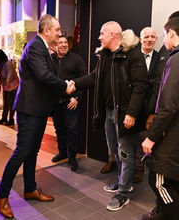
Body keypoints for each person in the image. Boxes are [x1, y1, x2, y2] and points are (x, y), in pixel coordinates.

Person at [0, 14, 73, 219]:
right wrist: (64, 85)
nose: (59, 33)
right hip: (29, 110)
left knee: (32, 152)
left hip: (37, 109)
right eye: (57, 30)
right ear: (46, 30)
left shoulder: (41, 47)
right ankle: (2, 197)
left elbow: (44, 79)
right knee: (22, 152)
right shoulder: (36, 46)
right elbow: (44, 76)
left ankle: (30, 189)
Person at [73, 22, 148, 211]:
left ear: (114, 34)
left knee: (125, 151)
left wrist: (131, 113)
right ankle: (125, 181)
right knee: (115, 149)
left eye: (102, 33)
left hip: (125, 113)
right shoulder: (105, 56)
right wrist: (74, 83)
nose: (99, 37)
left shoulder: (133, 54)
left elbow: (141, 86)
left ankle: (123, 193)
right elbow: (93, 78)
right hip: (108, 111)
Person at [141, 17, 179, 220]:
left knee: (159, 181)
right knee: (170, 180)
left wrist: (152, 136)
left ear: (172, 34)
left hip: (173, 134)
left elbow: (168, 104)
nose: (163, 40)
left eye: (164, 34)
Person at [51, 36, 86, 171]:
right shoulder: (51, 59)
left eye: (66, 42)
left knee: (71, 131)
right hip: (55, 102)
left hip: (70, 102)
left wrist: (76, 97)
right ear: (56, 45)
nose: (64, 45)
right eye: (60, 42)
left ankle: (72, 158)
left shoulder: (76, 59)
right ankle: (62, 153)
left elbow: (83, 80)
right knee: (59, 129)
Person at [134, 27, 159, 184]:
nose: (149, 39)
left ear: (156, 39)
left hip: (151, 106)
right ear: (140, 39)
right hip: (134, 104)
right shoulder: (134, 55)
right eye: (146, 37)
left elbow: (159, 82)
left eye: (152, 37)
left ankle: (140, 168)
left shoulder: (161, 57)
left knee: (145, 137)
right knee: (131, 138)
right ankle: (130, 167)